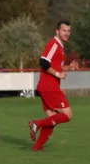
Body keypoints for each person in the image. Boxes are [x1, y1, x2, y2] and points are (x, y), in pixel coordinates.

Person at [29, 20, 78, 151]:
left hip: (45, 87)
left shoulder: (59, 46)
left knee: (52, 118)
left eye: (68, 31)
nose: (67, 33)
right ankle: (36, 123)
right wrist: (58, 74)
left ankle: (37, 147)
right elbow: (43, 62)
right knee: (67, 115)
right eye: (64, 31)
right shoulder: (54, 44)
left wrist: (67, 68)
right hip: (49, 87)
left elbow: (55, 65)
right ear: (57, 31)